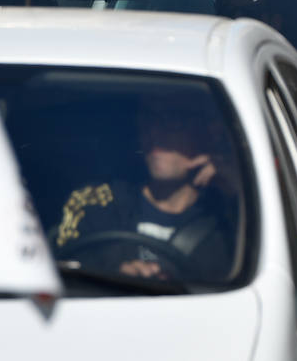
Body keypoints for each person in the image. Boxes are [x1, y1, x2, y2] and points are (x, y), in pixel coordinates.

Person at [54, 103, 241, 283]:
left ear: (207, 133)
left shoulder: (229, 219)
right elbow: (63, 270)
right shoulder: (96, 202)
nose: (154, 131)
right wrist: (112, 276)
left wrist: (236, 188)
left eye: (172, 120)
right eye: (148, 118)